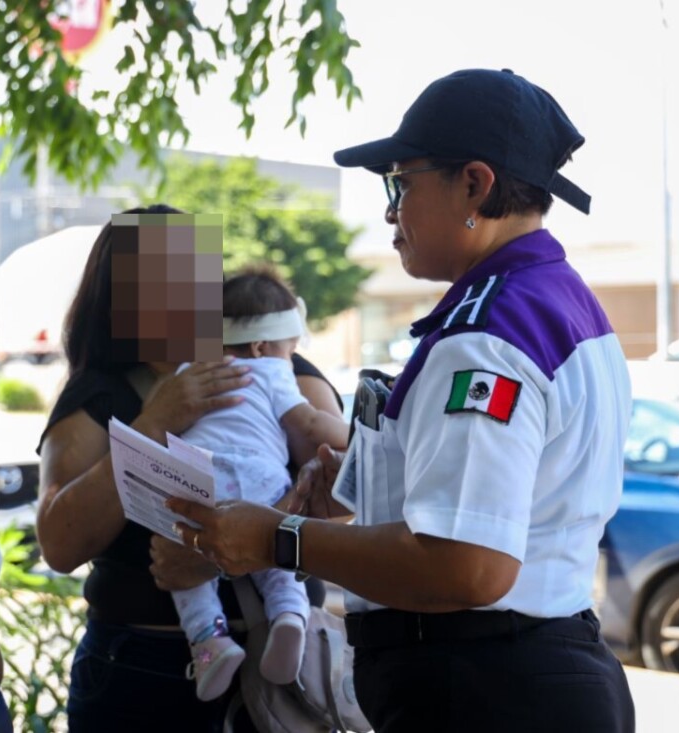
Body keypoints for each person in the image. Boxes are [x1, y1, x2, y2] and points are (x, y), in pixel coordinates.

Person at [168, 68, 636, 733]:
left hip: (484, 692)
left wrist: (279, 537)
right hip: (524, 671)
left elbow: (465, 566)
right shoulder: (557, 301)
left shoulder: (485, 336)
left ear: (474, 183)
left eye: (401, 183)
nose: (390, 213)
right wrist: (362, 498)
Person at [36, 205, 345, 732]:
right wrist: (154, 423)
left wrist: (224, 554)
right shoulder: (99, 394)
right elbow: (60, 545)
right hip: (142, 673)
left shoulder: (279, 369)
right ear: (117, 298)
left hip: (280, 663)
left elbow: (341, 508)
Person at [170, 268, 350, 702]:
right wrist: (357, 437)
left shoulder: (189, 370)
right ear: (261, 346)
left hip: (198, 475)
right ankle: (290, 616)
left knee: (182, 558)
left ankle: (209, 641)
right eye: (290, 350)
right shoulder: (272, 371)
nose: (291, 357)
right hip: (259, 478)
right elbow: (308, 425)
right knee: (275, 542)